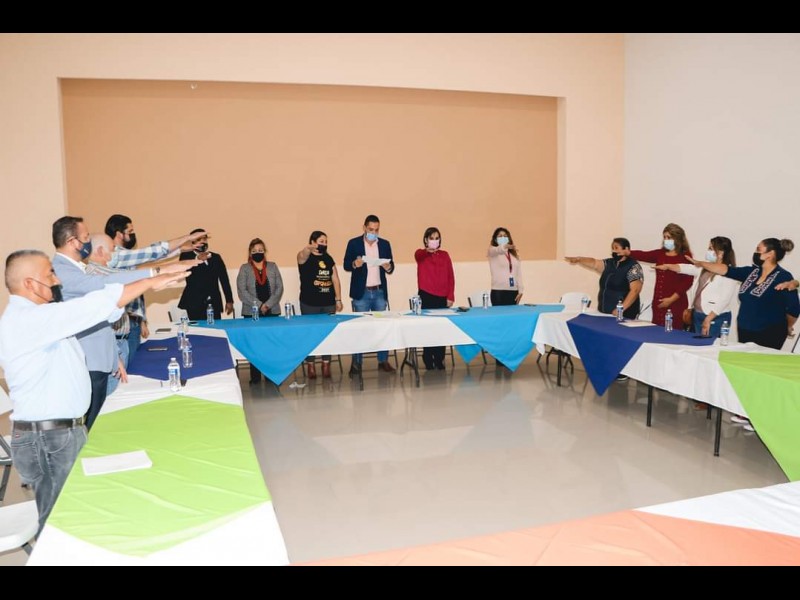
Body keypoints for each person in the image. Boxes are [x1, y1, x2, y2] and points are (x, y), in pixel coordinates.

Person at [0, 249, 188, 533]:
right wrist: (150, 280)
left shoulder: (39, 317)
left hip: (56, 433)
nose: (56, 280)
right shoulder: (29, 320)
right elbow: (92, 306)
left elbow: (96, 312)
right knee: (60, 524)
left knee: (72, 516)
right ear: (29, 283)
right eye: (49, 275)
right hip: (48, 438)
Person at [51, 217, 186, 429]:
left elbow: (101, 319)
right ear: (72, 241)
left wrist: (114, 355)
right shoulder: (62, 270)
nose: (88, 242)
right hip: (88, 358)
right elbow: (103, 284)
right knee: (91, 423)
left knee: (99, 418)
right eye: (86, 237)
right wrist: (153, 275)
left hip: (100, 356)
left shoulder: (76, 268)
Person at [690, 238, 799, 430]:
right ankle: (746, 411)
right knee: (748, 371)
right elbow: (725, 270)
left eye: (759, 249)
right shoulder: (752, 272)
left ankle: (760, 417)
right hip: (747, 329)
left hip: (770, 332)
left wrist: (788, 327)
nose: (755, 252)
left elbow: (794, 308)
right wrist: (701, 263)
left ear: (770, 254)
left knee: (762, 373)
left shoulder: (783, 277)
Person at [104, 214, 207, 357]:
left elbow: (153, 258)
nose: (133, 234)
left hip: (132, 320)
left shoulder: (126, 255)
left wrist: (141, 320)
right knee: (127, 364)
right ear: (119, 234)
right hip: (122, 323)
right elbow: (152, 253)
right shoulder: (117, 256)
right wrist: (187, 238)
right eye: (130, 231)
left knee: (132, 361)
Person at [655, 236, 739, 339]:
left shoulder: (730, 273)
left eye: (711, 249)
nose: (708, 251)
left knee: (709, 346)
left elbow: (724, 300)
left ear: (721, 253)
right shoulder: (706, 268)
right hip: (698, 315)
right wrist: (668, 266)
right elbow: (687, 268)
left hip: (715, 317)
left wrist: (708, 319)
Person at [343, 215, 396, 375]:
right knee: (359, 329)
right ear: (364, 228)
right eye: (371, 229)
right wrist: (355, 263)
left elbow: (391, 266)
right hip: (362, 293)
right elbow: (346, 265)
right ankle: (356, 363)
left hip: (379, 292)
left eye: (376, 230)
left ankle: (383, 360)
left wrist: (388, 267)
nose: (373, 232)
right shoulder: (354, 243)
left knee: (382, 327)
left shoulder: (385, 244)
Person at [621, 223, 694, 326]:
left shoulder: (685, 256)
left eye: (669, 237)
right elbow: (644, 255)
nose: (666, 240)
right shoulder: (660, 253)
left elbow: (687, 282)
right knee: (657, 331)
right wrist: (628, 253)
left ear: (677, 239)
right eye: (664, 237)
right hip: (658, 302)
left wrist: (671, 299)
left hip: (675, 303)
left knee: (672, 331)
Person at [236, 238, 284, 384]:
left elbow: (279, 288)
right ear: (250, 253)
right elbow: (242, 291)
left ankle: (271, 375)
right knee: (254, 346)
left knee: (271, 344)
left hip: (272, 310)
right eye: (254, 251)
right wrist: (259, 304)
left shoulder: (273, 266)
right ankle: (255, 376)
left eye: (260, 250)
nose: (258, 253)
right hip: (251, 312)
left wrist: (267, 305)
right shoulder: (245, 268)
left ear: (265, 251)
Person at [297, 231, 343, 379]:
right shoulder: (305, 257)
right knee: (310, 335)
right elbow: (302, 255)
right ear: (313, 242)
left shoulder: (328, 258)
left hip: (328, 303)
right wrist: (309, 248)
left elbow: (335, 279)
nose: (324, 244)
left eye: (326, 242)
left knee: (327, 334)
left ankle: (326, 363)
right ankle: (310, 364)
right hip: (309, 303)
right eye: (321, 241)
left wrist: (338, 299)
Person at [565, 237, 644, 319]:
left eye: (616, 248)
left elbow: (635, 290)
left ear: (626, 249)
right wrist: (579, 259)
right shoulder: (609, 263)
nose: (614, 251)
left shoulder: (633, 267)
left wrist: (621, 309)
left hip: (624, 314)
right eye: (612, 248)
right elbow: (594, 263)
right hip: (604, 312)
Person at [415, 227, 455, 370]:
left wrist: (450, 296)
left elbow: (451, 276)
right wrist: (427, 251)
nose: (434, 240)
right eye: (431, 238)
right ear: (426, 240)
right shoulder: (421, 254)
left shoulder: (445, 255)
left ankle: (439, 359)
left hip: (442, 297)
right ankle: (428, 358)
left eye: (437, 238)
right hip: (426, 296)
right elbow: (418, 255)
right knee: (428, 329)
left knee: (440, 329)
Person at [178, 229, 234, 321]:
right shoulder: (185, 256)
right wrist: (197, 258)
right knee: (197, 328)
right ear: (192, 241)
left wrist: (229, 300)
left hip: (214, 301)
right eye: (199, 239)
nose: (202, 242)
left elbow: (224, 280)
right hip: (194, 303)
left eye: (204, 239)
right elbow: (183, 267)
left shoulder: (216, 258)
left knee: (216, 327)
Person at [488, 227, 524, 306]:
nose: (503, 237)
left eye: (505, 236)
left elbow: (518, 273)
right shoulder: (492, 251)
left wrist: (521, 290)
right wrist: (505, 247)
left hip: (513, 291)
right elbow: (499, 250)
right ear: (495, 239)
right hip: (498, 292)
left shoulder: (514, 254)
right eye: (500, 236)